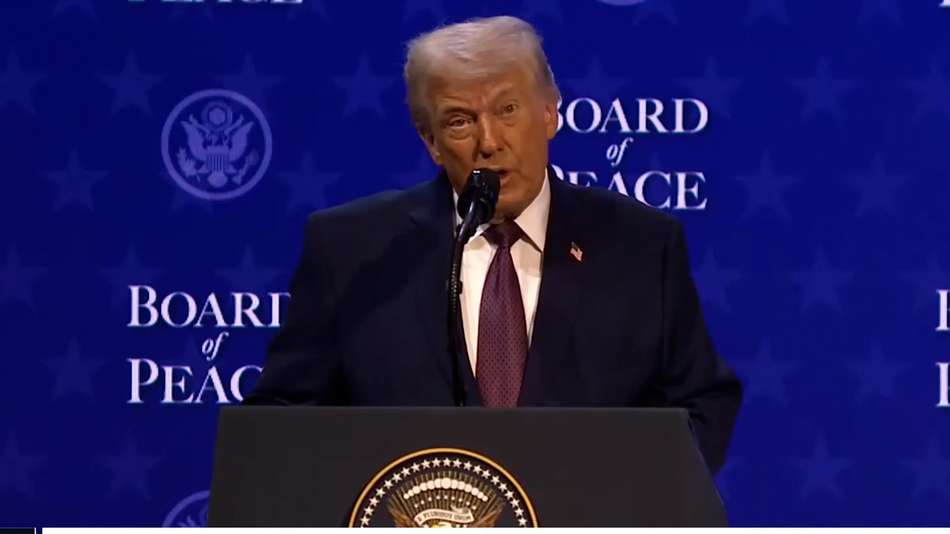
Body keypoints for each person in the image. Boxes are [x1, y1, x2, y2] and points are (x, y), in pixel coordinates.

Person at [246, 15, 742, 473]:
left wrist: (625, 500)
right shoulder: (353, 251)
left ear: (549, 113)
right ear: (431, 141)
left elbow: (701, 403)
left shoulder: (640, 246)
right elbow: (282, 419)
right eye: (459, 121)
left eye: (508, 109)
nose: (489, 141)